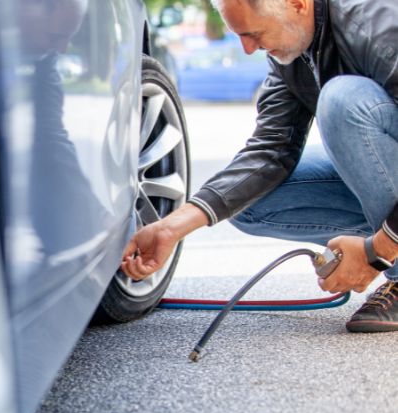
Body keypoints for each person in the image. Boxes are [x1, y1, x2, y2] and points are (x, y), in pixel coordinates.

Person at [121, 0, 398, 332]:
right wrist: (171, 228)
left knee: (343, 100)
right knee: (249, 203)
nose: (248, 49)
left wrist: (377, 251)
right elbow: (269, 152)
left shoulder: (378, 26)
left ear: (297, 4)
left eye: (253, 34)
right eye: (240, 36)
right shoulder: (293, 50)